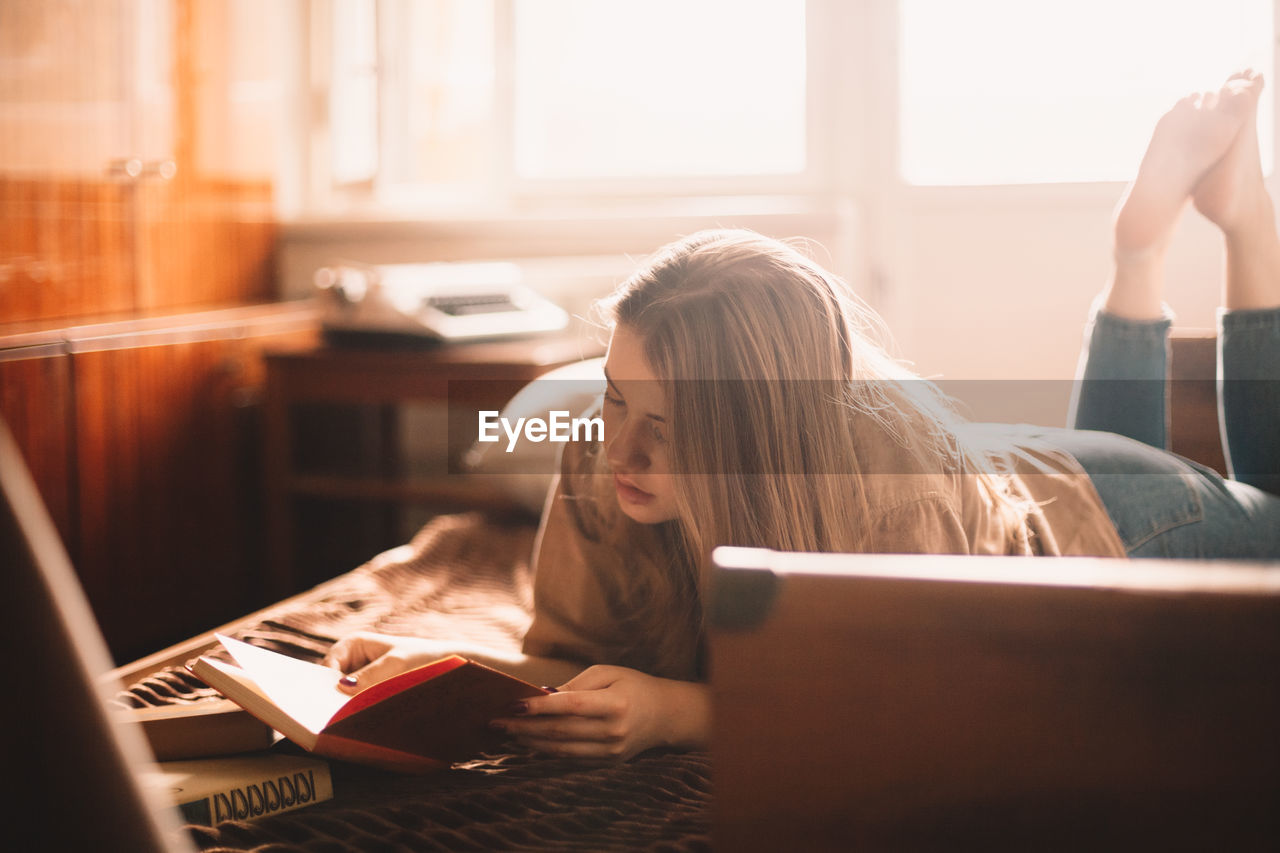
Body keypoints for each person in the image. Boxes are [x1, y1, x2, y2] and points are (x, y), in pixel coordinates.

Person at [325, 71, 1280, 761]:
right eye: (618, 398)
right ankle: (1141, 257)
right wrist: (441, 663)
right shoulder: (599, 451)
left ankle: (1233, 221)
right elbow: (564, 661)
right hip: (1006, 473)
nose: (623, 446)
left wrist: (680, 713)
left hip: (1114, 516)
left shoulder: (886, 496)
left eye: (672, 423)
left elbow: (933, 710)